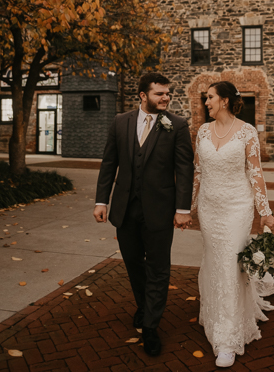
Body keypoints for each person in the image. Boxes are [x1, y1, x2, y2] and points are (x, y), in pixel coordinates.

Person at [93, 72, 194, 357]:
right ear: (142, 96)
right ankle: (144, 305)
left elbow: (185, 169)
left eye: (167, 94)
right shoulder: (120, 122)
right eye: (159, 94)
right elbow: (109, 163)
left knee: (159, 268)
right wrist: (102, 201)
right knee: (133, 263)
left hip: (160, 211)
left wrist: (183, 209)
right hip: (125, 209)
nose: (165, 98)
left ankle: (150, 326)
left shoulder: (177, 125)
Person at [192, 81, 274, 368]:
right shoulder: (203, 131)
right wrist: (187, 208)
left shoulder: (247, 132)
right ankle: (213, 312)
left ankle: (228, 338)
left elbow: (256, 173)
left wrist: (264, 211)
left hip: (237, 207)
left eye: (210, 98)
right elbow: (198, 172)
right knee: (215, 261)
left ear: (225, 101)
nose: (206, 102)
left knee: (231, 264)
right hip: (209, 207)